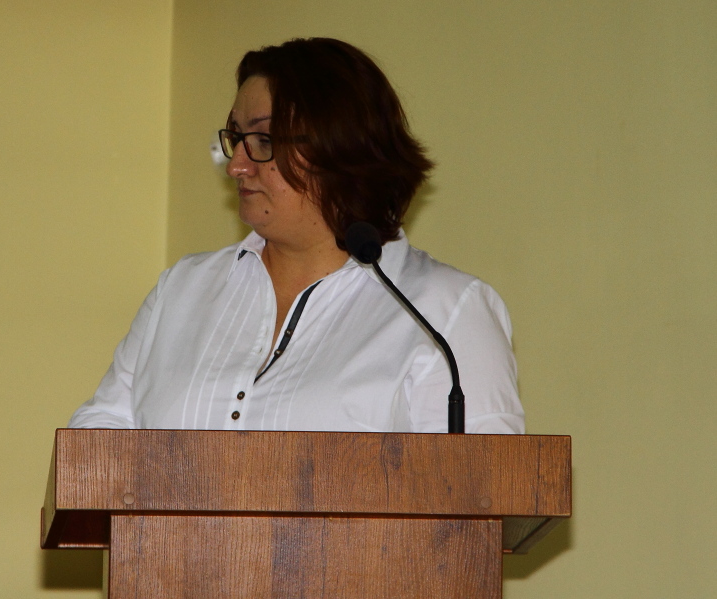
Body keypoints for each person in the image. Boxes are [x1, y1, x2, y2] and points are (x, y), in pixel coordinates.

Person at [68, 38, 524, 434]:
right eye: (236, 138)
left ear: (340, 148)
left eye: (264, 141)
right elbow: (97, 448)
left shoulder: (446, 313)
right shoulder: (182, 289)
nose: (236, 166)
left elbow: (480, 494)